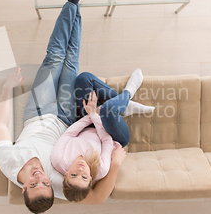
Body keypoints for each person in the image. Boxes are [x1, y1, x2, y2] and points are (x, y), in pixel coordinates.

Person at [0, 0, 127, 214]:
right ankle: (74, 2)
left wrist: (7, 87)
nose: (40, 178)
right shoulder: (57, 185)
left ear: (23, 188)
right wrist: (115, 165)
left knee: (54, 56)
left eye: (34, 184)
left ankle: (72, 1)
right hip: (65, 118)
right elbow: (96, 199)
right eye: (44, 183)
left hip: (36, 113)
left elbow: (1, 124)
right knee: (71, 63)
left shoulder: (8, 165)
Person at [51, 69, 155, 202]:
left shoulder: (58, 159)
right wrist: (95, 114)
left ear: (65, 175)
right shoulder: (101, 169)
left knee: (84, 79)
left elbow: (69, 133)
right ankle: (129, 91)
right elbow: (106, 140)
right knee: (107, 109)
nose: (80, 170)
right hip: (113, 135)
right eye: (83, 177)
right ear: (90, 180)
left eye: (74, 175)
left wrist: (91, 115)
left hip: (86, 123)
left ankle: (125, 104)